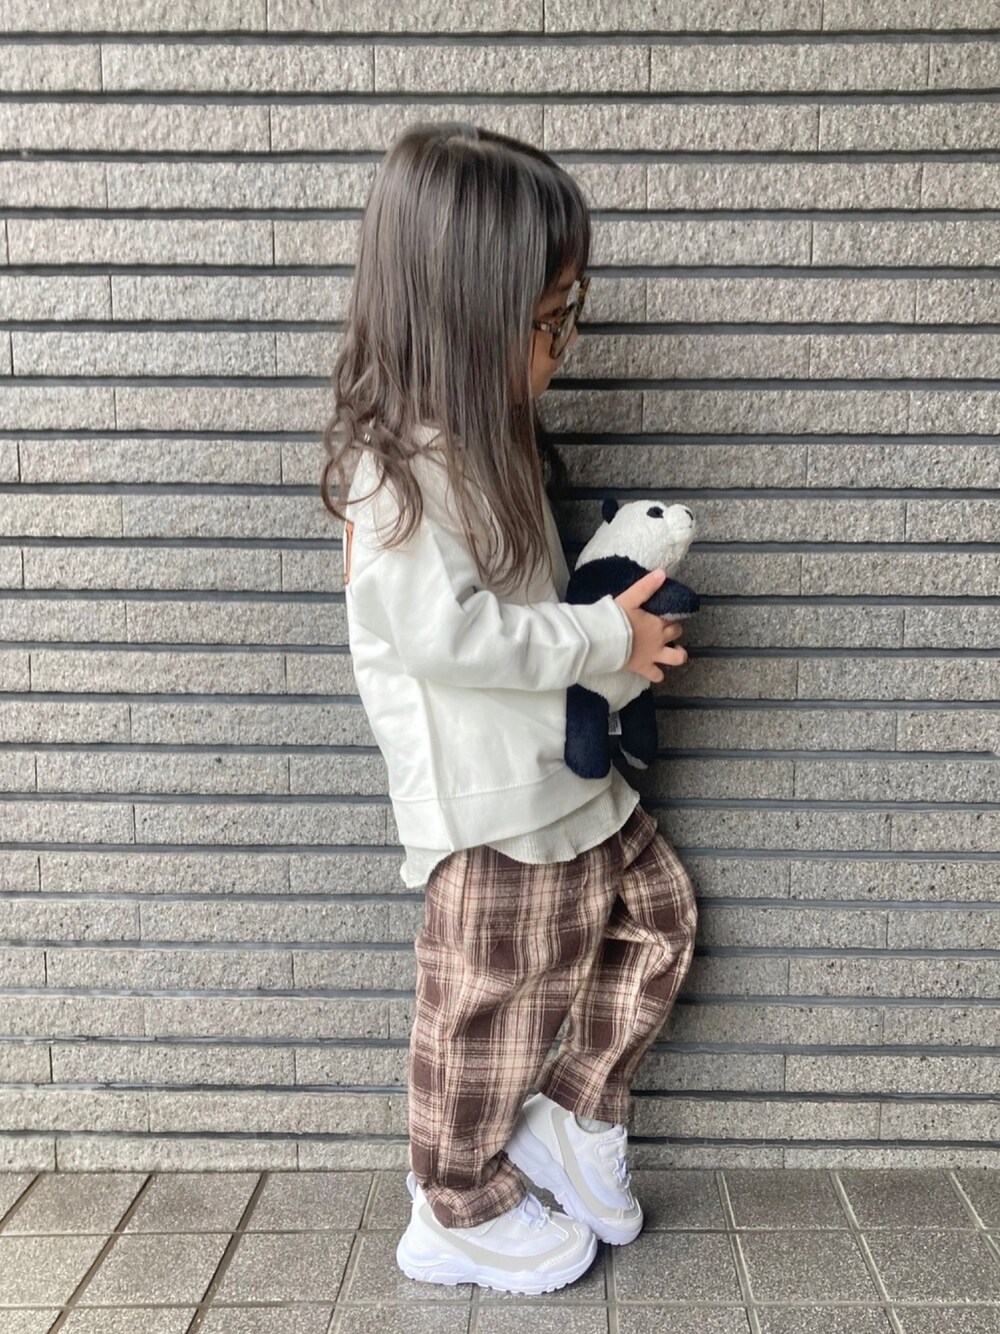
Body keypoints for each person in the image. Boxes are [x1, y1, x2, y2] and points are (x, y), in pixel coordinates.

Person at [320, 120, 699, 1296]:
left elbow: (531, 600)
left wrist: (612, 627)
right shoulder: (394, 471)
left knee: (660, 916)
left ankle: (574, 1119)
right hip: (491, 805)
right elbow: (449, 633)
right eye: (546, 322)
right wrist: (608, 637)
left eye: (565, 315)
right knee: (483, 1013)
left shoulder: (494, 437)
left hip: (565, 771)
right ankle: (452, 1200)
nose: (561, 346)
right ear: (460, 315)